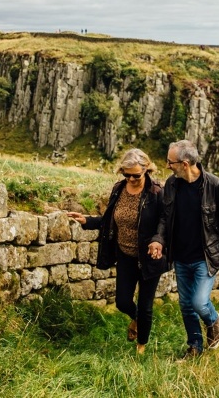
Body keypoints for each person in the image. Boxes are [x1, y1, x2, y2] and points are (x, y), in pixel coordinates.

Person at [148, 139, 219, 360]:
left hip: (206, 257)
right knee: (185, 305)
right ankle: (194, 347)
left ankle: (212, 320)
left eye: (171, 162)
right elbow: (165, 217)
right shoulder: (172, 184)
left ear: (185, 163)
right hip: (180, 256)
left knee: (199, 302)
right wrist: (158, 240)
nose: (167, 166)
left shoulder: (216, 186)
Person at [67, 148, 168, 354]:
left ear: (147, 170)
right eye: (126, 174)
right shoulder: (118, 189)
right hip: (125, 255)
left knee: (145, 304)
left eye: (136, 175)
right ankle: (136, 319)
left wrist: (158, 240)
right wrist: (87, 220)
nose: (131, 179)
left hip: (149, 257)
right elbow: (109, 220)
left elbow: (165, 222)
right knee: (123, 302)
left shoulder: (157, 192)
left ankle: (141, 347)